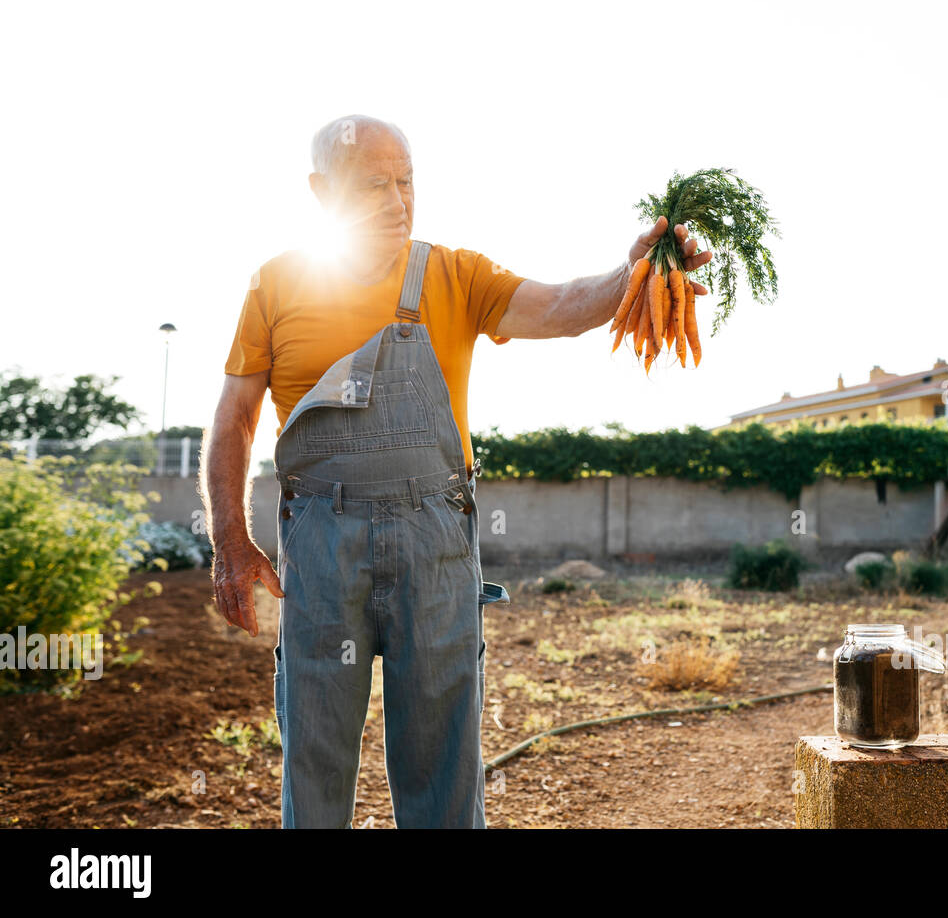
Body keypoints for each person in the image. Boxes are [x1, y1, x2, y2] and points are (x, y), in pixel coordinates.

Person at [200, 114, 711, 828]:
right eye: (373, 184)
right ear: (321, 192)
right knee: (313, 764)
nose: (397, 200)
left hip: (434, 543)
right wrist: (230, 539)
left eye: (407, 182)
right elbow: (234, 419)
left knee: (444, 770)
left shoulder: (454, 274)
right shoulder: (277, 284)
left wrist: (635, 272)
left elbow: (564, 307)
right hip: (318, 542)